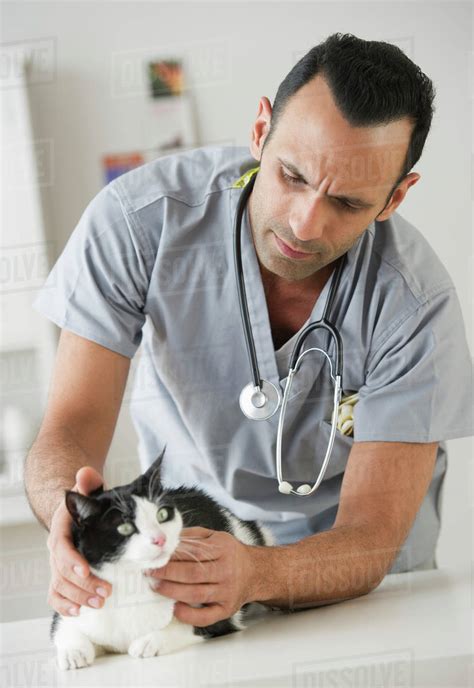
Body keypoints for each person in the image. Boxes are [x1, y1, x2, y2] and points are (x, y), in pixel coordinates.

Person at [25, 33, 472, 628]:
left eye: (347, 203)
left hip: (364, 580)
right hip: (189, 538)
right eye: (291, 175)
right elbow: (70, 427)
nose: (304, 223)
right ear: (261, 130)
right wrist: (66, 516)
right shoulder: (139, 222)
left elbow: (368, 537)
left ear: (394, 197)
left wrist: (258, 572)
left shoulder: (415, 306)